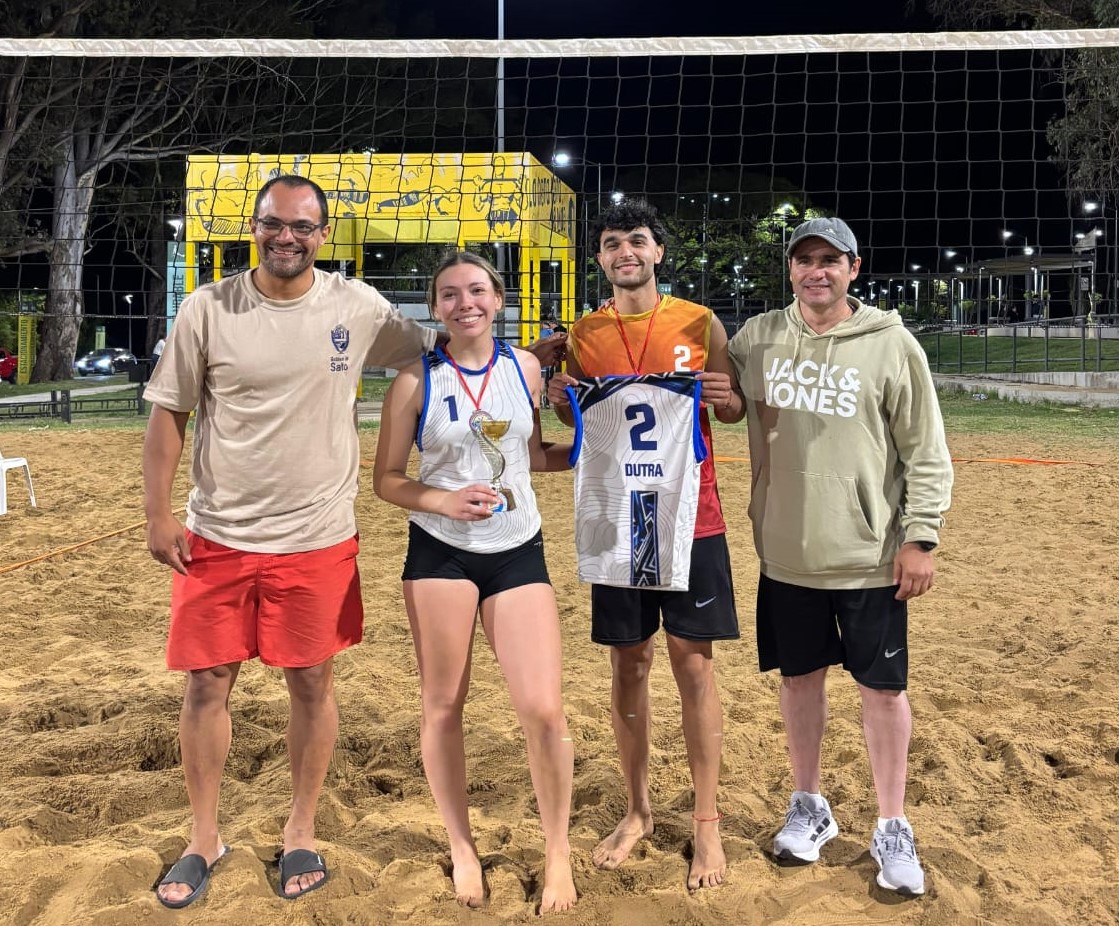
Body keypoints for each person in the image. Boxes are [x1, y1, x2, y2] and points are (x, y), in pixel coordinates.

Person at [142, 174, 451, 907]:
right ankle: (204, 837)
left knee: (311, 682)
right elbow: (167, 416)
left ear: (322, 234)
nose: (288, 236)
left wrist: (530, 355)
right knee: (206, 684)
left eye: (303, 226)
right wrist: (157, 515)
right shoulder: (208, 307)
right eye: (275, 223)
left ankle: (300, 829)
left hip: (317, 536)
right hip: (217, 533)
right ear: (256, 227)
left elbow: (438, 349)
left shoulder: (356, 304)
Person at [726, 217, 953, 896]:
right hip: (787, 552)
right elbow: (719, 391)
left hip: (870, 555)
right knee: (798, 682)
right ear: (789, 269)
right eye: (803, 260)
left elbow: (926, 451)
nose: (815, 271)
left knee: (881, 692)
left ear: (854, 267)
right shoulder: (758, 338)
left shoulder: (890, 344)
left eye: (829, 259)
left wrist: (919, 536)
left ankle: (891, 824)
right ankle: (809, 806)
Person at [546, 198, 744, 891]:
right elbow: (565, 402)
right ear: (599, 259)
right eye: (610, 243)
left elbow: (731, 404)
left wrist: (726, 397)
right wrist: (552, 385)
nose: (624, 251)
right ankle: (637, 810)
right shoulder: (583, 332)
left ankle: (707, 824)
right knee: (628, 666)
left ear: (658, 252)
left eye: (636, 240)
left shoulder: (698, 320)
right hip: (618, 518)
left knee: (693, 666)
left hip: (694, 516)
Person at [373, 251, 578, 913]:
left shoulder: (524, 367)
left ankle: (556, 854)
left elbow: (530, 457)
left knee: (543, 710)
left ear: (497, 299)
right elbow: (386, 480)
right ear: (435, 308)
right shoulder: (413, 381)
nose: (466, 303)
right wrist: (440, 500)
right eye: (451, 294)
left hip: (517, 549)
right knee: (443, 704)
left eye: (478, 291)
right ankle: (462, 846)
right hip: (441, 554)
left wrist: (591, 445)